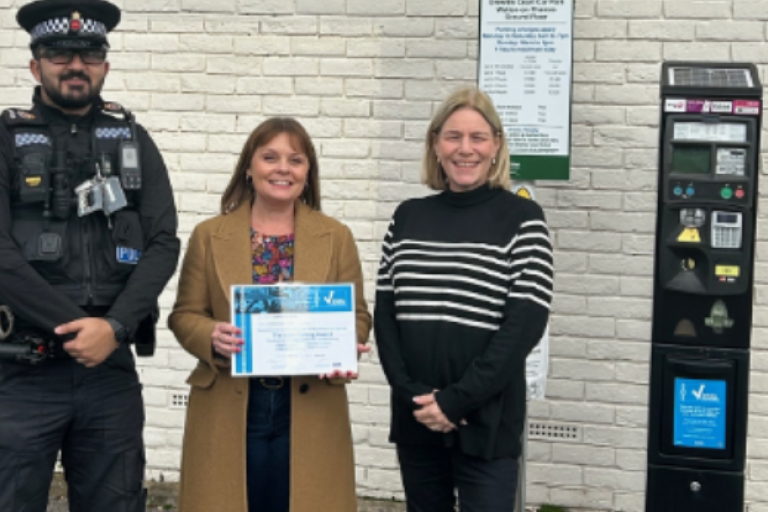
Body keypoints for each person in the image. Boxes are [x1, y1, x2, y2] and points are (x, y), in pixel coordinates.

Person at [0, 1, 180, 511]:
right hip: (22, 373)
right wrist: (78, 326)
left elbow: (163, 241)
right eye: (59, 52)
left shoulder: (133, 139)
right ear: (36, 64)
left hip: (110, 372)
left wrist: (115, 327)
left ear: (104, 64)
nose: (75, 65)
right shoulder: (5, 140)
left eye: (89, 53)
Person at [168, 117, 372, 512]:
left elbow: (358, 315)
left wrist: (346, 344)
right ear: (249, 166)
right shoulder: (210, 235)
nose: (283, 168)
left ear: (308, 172)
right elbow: (185, 314)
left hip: (310, 405)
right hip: (231, 400)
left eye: (295, 160)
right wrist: (210, 335)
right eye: (270, 157)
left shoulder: (337, 236)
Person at [374, 86, 554, 512]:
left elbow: (523, 325)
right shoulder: (408, 217)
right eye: (453, 137)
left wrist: (455, 402)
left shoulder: (523, 219)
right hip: (417, 417)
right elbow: (385, 316)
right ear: (436, 145)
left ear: (496, 146)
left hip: (486, 422)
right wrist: (415, 395)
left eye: (478, 137)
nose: (465, 149)